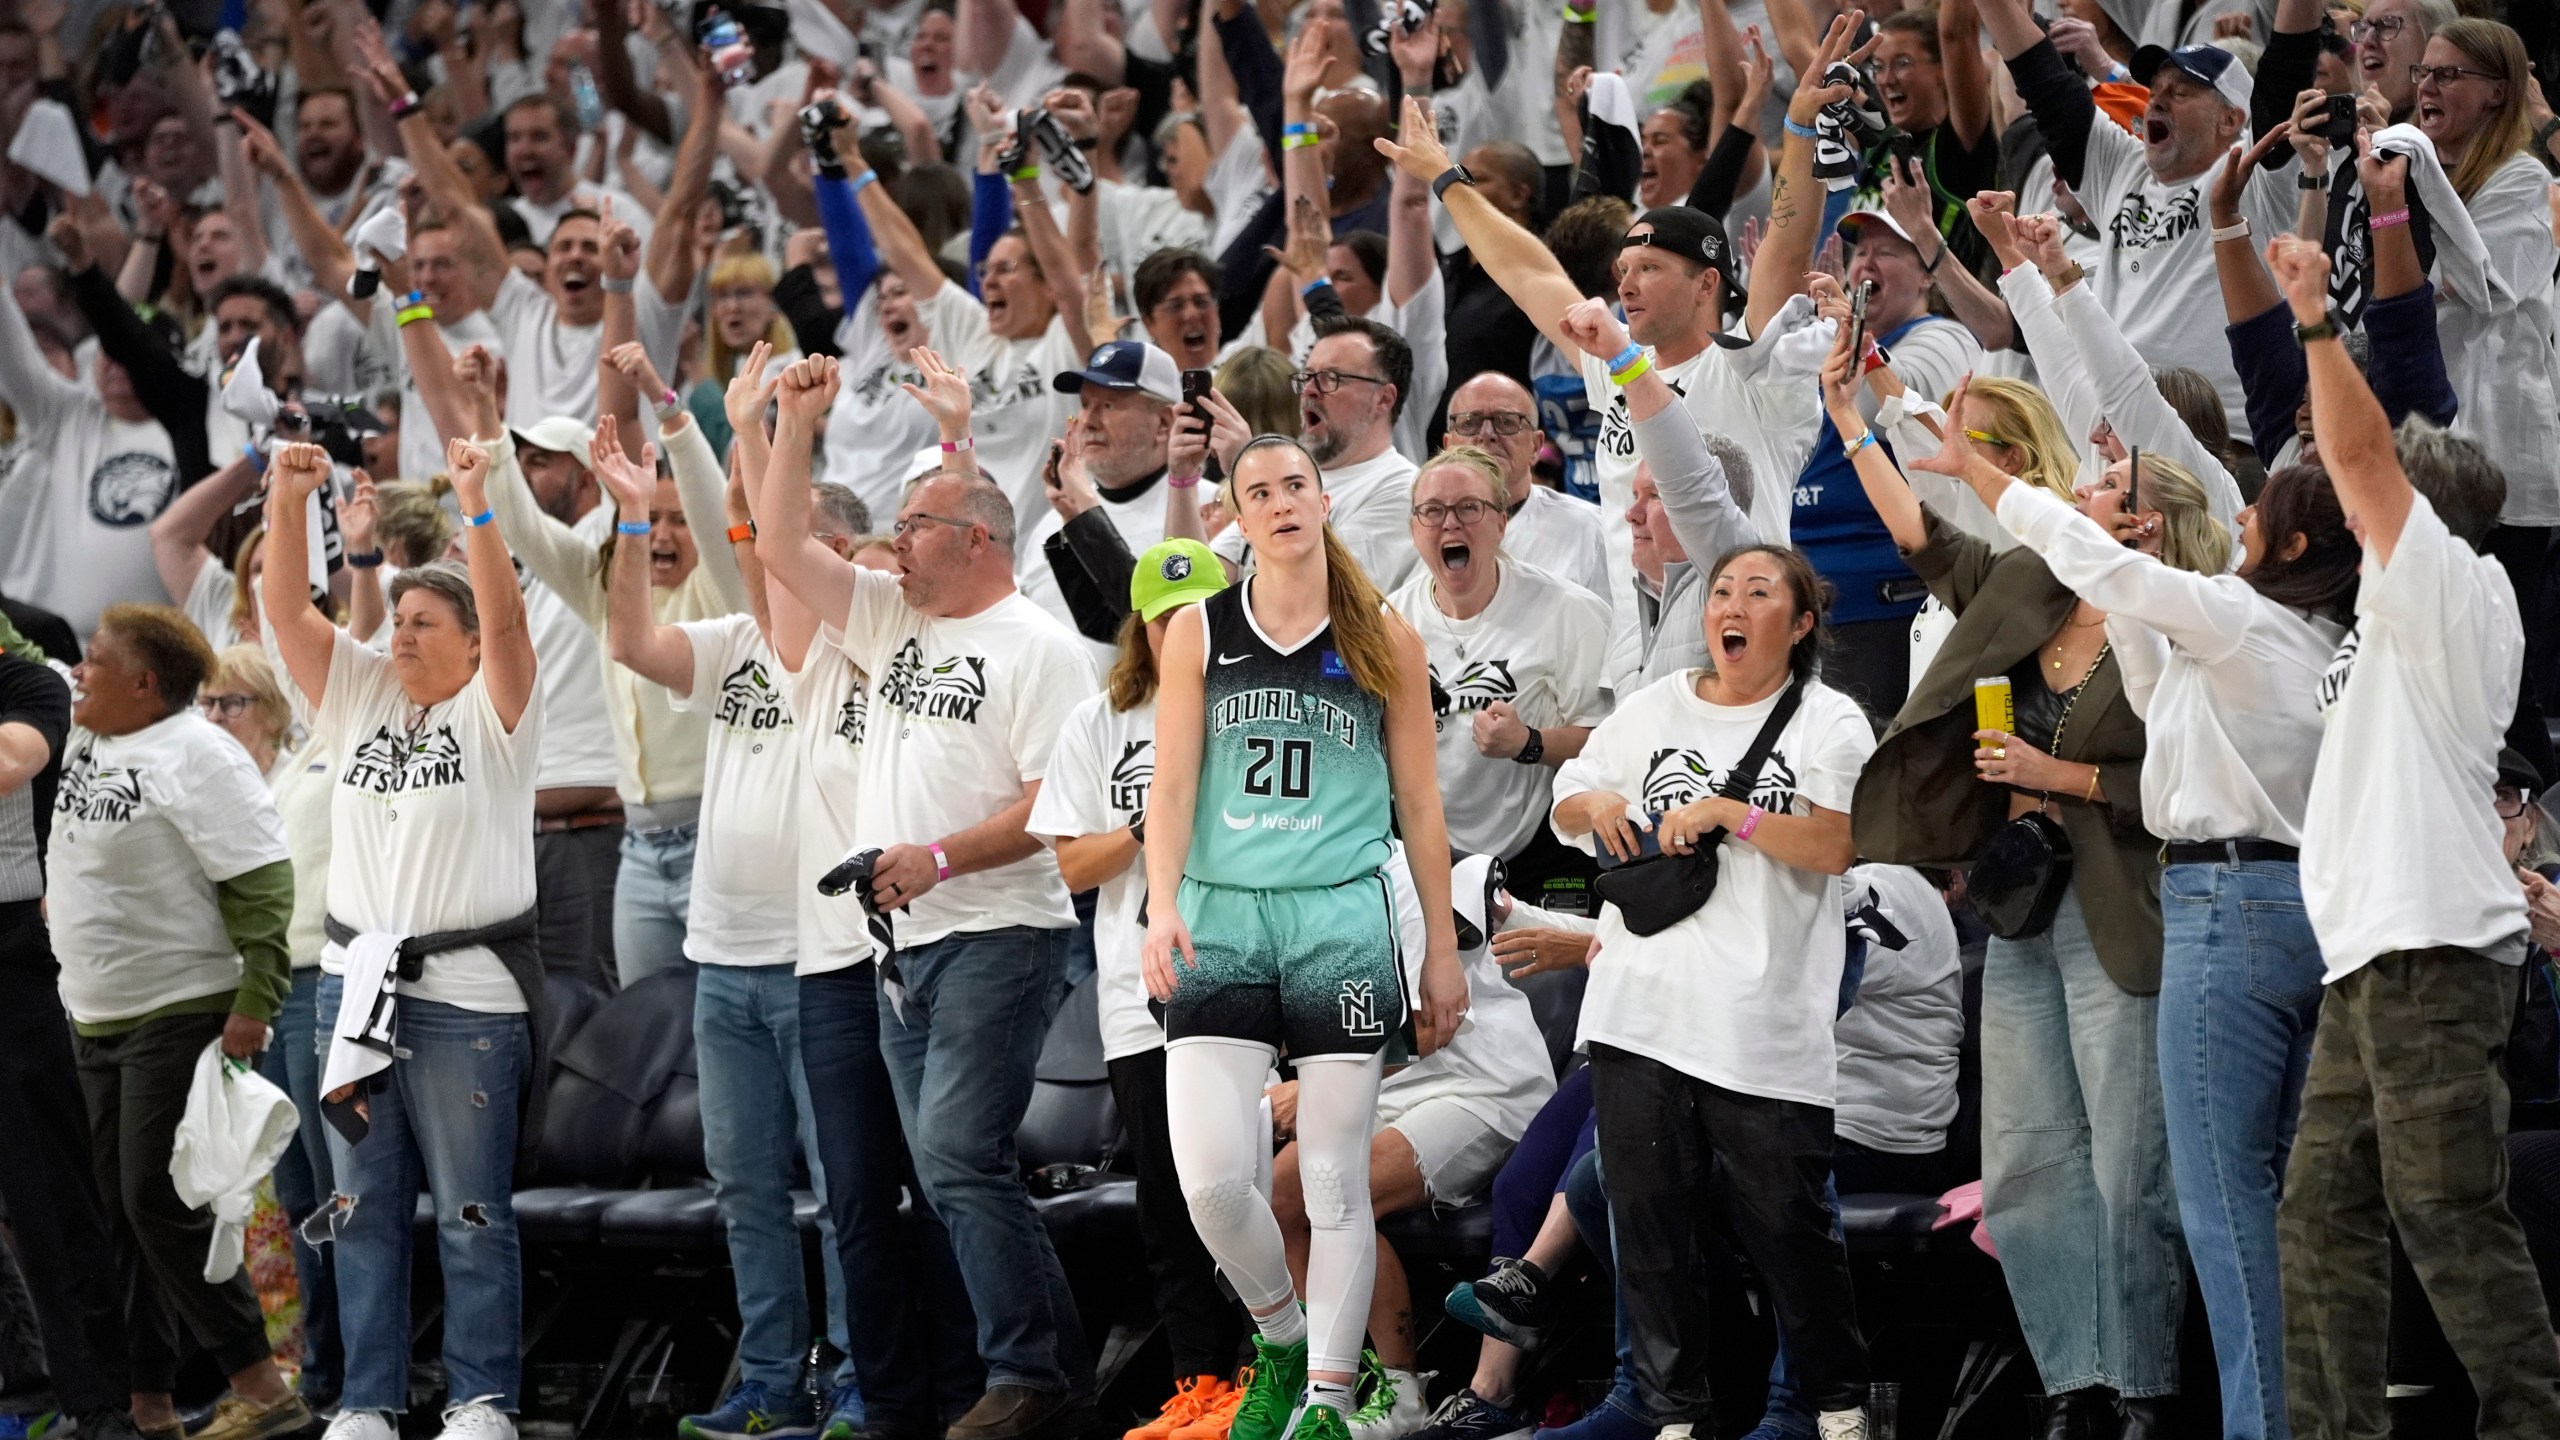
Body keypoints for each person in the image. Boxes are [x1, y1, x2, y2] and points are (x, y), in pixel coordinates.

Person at [1847, 354, 2236, 1436]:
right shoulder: (2026, 589)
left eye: (2107, 494)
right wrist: (1851, 416)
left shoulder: (2186, 628)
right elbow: (1925, 541)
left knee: (2126, 1164)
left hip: (2128, 906)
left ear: (2151, 525)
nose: (2080, 501)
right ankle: (2075, 1382)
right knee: (2021, 1165)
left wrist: (2053, 778)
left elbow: (2190, 785)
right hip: (2021, 911)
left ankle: (2148, 1386)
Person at [1971, 426, 2361, 1436]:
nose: (2237, 515)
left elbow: (2085, 557)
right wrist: (2144, 576)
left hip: (2223, 914)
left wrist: (1972, 471)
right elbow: (2150, 690)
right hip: (2297, 910)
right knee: (2282, 1201)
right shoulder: (2315, 639)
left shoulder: (2237, 620)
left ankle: (2261, 1428)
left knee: (2226, 1206)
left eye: (2256, 508)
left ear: (2285, 547)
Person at [756, 354, 1099, 1440]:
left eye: (914, 524)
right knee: (953, 1169)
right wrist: (793, 422)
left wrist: (940, 859)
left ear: (977, 541)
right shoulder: (889, 619)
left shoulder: (1039, 650)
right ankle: (1053, 1380)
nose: (893, 540)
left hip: (1003, 933)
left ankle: (1026, 1375)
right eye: (897, 522)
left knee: (956, 1153)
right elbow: (775, 544)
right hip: (902, 949)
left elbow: (1054, 808)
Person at [2266, 233, 2560, 1438]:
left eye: (2360, 498)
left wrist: (2314, 325)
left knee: (2447, 1210)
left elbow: (2356, 450)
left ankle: (2528, 1418)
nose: (2338, 504)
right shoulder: (2381, 618)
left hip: (2435, 945)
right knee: (2319, 1211)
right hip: (2370, 953)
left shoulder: (2446, 580)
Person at [1141, 434, 1466, 1440]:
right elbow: (1174, 787)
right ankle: (1278, 1334)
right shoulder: (1198, 632)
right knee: (1208, 1180)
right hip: (1223, 913)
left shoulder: (1385, 637)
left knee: (1329, 1174)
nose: (1279, 502)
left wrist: (1441, 951)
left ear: (1324, 502)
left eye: (1294, 486)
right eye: (1258, 492)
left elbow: (1420, 804)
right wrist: (1159, 906)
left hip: (1337, 915)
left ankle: (1328, 1398)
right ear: (1236, 516)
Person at [1549, 538, 1880, 1440]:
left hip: (1762, 1019)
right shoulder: (1654, 706)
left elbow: (1838, 847)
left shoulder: (1831, 721)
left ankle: (1840, 1405)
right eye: (1722, 590)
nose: (1731, 605)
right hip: (1639, 1007)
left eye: (1759, 592)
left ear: (1801, 622)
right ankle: (1675, 1419)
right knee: (1649, 1233)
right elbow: (1567, 800)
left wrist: (1738, 813)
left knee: (1789, 1231)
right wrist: (1601, 808)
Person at [263, 436, 546, 1440]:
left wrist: (476, 506)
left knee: (472, 1214)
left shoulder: (499, 708)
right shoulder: (361, 697)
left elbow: (510, 613)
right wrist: (288, 497)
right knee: (357, 1210)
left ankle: (481, 1400)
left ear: (473, 642)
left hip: (468, 994)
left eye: (429, 624)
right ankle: (369, 1401)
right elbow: (289, 611)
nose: (405, 638)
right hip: (351, 990)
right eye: (401, 622)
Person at [586, 409, 856, 1440]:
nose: (766, 547)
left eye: (789, 534)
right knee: (743, 1185)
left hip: (816, 959)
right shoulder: (731, 641)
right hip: (722, 959)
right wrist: (623, 519)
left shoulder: (848, 645)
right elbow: (626, 638)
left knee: (841, 1191)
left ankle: (854, 1381)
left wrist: (747, 450)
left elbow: (759, 553)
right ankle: (770, 1384)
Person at [742, 361, 979, 1440]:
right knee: (858, 1201)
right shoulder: (806, 661)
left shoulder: (922, 650)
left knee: (944, 1185)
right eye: (857, 564)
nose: (869, 578)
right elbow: (774, 537)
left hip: (935, 943)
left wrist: (957, 438)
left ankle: (967, 1393)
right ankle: (882, 1403)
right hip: (835, 961)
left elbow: (967, 539)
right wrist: (775, 426)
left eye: (887, 561)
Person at [49, 605, 304, 1440]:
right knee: (114, 1213)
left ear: (145, 683)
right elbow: (18, 649)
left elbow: (262, 881)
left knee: (157, 1196)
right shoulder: (89, 729)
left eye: (94, 660)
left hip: (181, 1005)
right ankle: (147, 1406)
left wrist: (255, 1000)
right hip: (95, 1011)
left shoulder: (199, 755)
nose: (79, 672)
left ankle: (262, 1387)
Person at [1027, 538, 1247, 1440]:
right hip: (1136, 995)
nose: (1184, 632)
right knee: (1168, 1209)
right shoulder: (1098, 723)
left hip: (1241, 985)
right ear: (1141, 630)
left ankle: (1274, 1382)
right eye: (1167, 619)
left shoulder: (1257, 710)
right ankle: (1202, 1387)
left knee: (1240, 1195)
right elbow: (1074, 865)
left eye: (1201, 614)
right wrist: (1151, 815)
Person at [1980, 0, 2300, 419]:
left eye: (2181, 93)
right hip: (2119, 432)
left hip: (2223, 439)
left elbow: (2290, 62)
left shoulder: (2254, 178)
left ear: (2230, 120)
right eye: (2157, 91)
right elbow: (2041, 77)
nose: (2157, 102)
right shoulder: (2122, 167)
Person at [0, 645, 143, 1440]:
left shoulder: (27, 684)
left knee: (49, 1195)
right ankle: (23, 1387)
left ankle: (98, 1401)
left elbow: (12, 759)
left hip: (8, 956)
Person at [200, 643, 345, 1415]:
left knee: (331, 1191)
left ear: (276, 709)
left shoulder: (311, 766)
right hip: (247, 998)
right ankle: (310, 1371)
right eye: (209, 704)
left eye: (235, 702)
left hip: (317, 982)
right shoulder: (205, 793)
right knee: (288, 1194)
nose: (218, 717)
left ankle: (342, 1374)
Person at [1386, 445, 1611, 895]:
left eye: (1469, 507)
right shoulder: (1389, 623)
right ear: (1414, 529)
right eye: (1432, 510)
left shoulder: (1570, 612)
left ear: (1502, 522)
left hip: (1539, 848)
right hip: (1422, 849)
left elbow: (1608, 745)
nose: (1450, 522)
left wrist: (1528, 742)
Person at [1212, 318, 1422, 592]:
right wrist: (1181, 480)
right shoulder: (1290, 473)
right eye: (1307, 376)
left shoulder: (1403, 489)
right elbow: (1207, 578)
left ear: (1383, 399)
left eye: (1330, 379)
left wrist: (1249, 470)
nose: (1310, 390)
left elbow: (1318, 593)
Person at [1440, 373, 1611, 604]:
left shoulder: (1591, 532)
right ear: (1448, 447)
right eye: (1470, 423)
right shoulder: (1424, 530)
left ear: (1535, 446)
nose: (1487, 435)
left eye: (1506, 422)